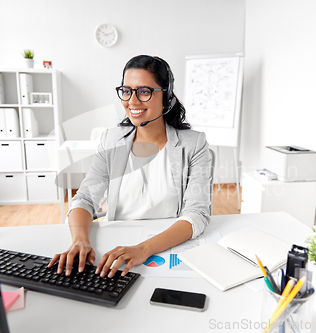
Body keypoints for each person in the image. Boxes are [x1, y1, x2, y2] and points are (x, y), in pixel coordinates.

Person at [48, 55, 212, 278]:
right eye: (126, 91)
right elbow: (85, 198)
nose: (132, 101)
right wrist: (80, 240)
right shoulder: (111, 140)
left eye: (144, 91)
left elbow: (197, 214)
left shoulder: (194, 143)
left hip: (167, 246)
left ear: (167, 96)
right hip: (117, 250)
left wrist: (143, 249)